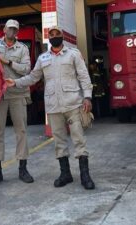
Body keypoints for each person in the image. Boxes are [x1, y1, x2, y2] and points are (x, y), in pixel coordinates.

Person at [6, 26, 96, 189]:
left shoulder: (73, 54)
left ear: (62, 37)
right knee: (59, 141)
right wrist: (16, 82)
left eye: (57, 34)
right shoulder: (43, 58)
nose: (54, 36)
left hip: (73, 103)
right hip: (53, 106)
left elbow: (83, 76)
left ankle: (85, 175)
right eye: (51, 35)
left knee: (79, 140)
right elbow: (34, 77)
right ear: (48, 38)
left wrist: (87, 97)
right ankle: (65, 174)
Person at [0, 19, 34, 186]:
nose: (12, 32)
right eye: (10, 28)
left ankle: (23, 168)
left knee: (21, 131)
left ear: (17, 32)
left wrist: (7, 62)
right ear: (4, 29)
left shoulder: (22, 48)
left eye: (15, 30)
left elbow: (26, 69)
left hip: (17, 93)